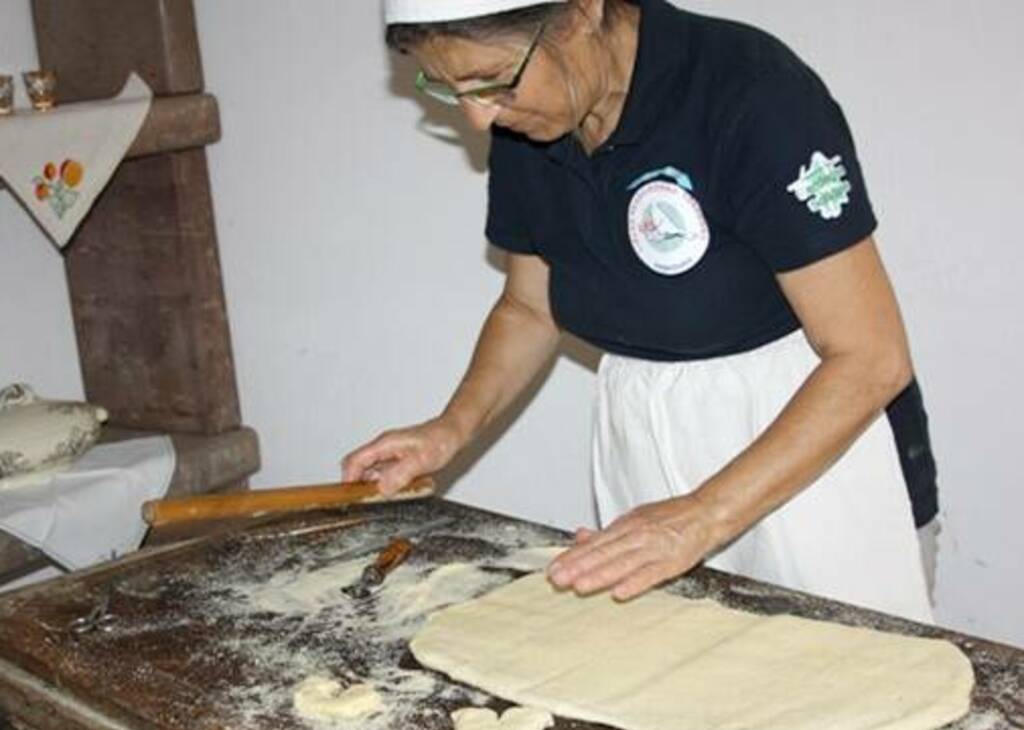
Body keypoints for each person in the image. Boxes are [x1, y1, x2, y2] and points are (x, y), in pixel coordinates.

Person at [343, 0, 941, 623]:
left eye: (494, 79)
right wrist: (452, 428)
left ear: (583, 12)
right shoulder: (530, 124)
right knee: (678, 680)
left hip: (809, 442)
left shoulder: (751, 92)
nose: (478, 115)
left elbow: (871, 358)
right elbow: (529, 308)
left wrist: (704, 515)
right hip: (647, 435)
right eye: (449, 88)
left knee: (840, 685)